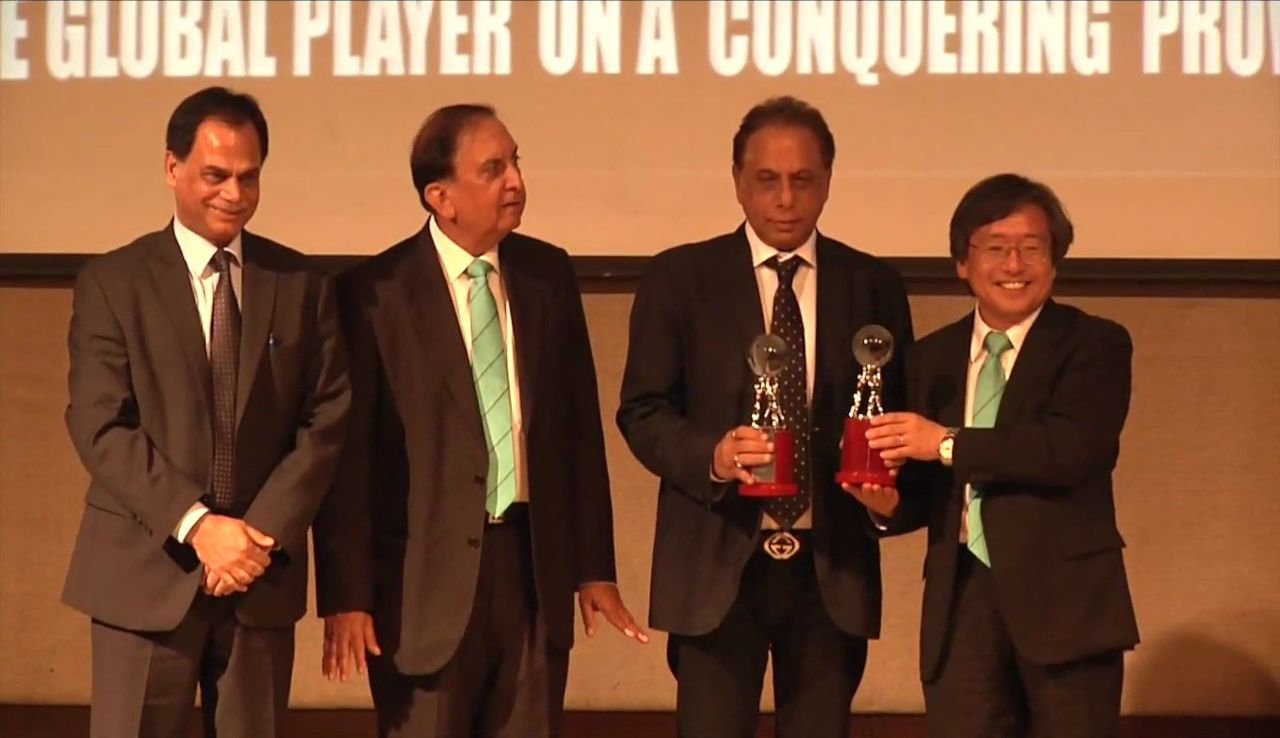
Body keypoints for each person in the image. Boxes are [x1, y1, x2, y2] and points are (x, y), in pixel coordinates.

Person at [314, 103, 646, 738]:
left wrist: (594, 568)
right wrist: (347, 597)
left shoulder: (548, 274)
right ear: (440, 197)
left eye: (516, 162)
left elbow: (578, 433)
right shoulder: (373, 293)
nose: (516, 181)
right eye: (493, 169)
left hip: (531, 571)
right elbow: (348, 462)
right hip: (419, 589)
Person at [616, 96, 914, 738]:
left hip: (831, 571)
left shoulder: (873, 283)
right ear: (737, 180)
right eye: (767, 180)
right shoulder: (680, 277)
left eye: (803, 180)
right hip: (716, 565)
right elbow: (642, 411)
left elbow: (893, 413)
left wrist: (885, 492)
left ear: (828, 181)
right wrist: (713, 456)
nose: (785, 199)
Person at [61, 86, 351, 738]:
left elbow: (327, 419)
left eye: (249, 177)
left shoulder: (302, 285)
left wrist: (256, 536)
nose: (234, 194)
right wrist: (198, 526)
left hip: (257, 579)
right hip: (143, 576)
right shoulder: (114, 282)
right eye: (216, 175)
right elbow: (101, 425)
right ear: (173, 168)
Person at [856, 173, 1139, 738]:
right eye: (995, 248)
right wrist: (887, 506)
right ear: (962, 263)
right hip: (960, 604)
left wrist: (944, 441)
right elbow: (931, 488)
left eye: (1031, 248)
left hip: (1065, 606)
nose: (1014, 264)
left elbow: (1066, 451)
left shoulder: (1095, 344)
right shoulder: (929, 358)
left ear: (1054, 261)